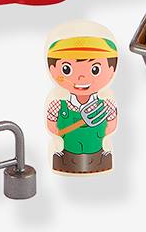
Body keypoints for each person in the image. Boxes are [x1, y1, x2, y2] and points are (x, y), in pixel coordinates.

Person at [45, 21, 120, 175]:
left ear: (112, 70)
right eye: (66, 69)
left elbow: (111, 127)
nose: (81, 77)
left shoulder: (106, 105)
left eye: (95, 69)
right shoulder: (57, 105)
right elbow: (53, 128)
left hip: (99, 158)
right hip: (66, 159)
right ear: (52, 68)